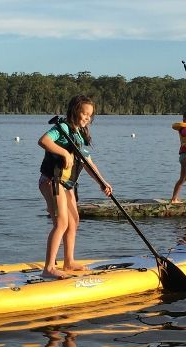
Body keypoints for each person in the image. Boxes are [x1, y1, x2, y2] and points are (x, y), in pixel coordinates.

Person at [38, 95, 112, 279]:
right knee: (61, 222)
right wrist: (64, 152)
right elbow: (44, 141)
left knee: (74, 221)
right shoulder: (62, 128)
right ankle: (48, 268)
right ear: (74, 110)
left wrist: (102, 182)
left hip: (68, 184)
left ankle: (69, 261)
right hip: (52, 181)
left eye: (90, 115)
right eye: (84, 113)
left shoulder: (80, 134)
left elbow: (88, 163)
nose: (87, 117)